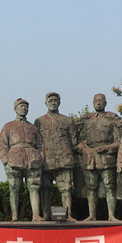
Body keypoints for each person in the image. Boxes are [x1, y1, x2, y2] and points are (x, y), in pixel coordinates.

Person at [76, 93, 122, 221]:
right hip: (90, 158)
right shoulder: (86, 120)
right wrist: (83, 148)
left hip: (107, 157)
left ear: (105, 103)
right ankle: (92, 215)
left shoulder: (112, 119)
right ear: (93, 103)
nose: (98, 103)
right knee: (91, 187)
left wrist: (108, 148)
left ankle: (111, 215)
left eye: (101, 101)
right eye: (96, 101)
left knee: (110, 186)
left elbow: (119, 141)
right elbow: (78, 140)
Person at [0, 98, 44, 221]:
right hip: (14, 160)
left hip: (32, 160)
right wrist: (6, 160)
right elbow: (2, 145)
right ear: (15, 109)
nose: (24, 108)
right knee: (14, 188)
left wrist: (40, 157)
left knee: (34, 187)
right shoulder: (8, 126)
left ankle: (36, 215)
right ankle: (14, 216)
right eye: (21, 106)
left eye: (26, 106)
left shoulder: (33, 127)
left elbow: (40, 145)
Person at [35, 92, 78, 220]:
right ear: (45, 103)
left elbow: (73, 142)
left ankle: (68, 214)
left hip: (63, 161)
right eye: (50, 101)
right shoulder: (39, 121)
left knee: (66, 189)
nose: (53, 103)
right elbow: (36, 141)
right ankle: (46, 215)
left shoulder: (67, 121)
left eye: (55, 100)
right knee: (44, 189)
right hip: (45, 161)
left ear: (59, 103)